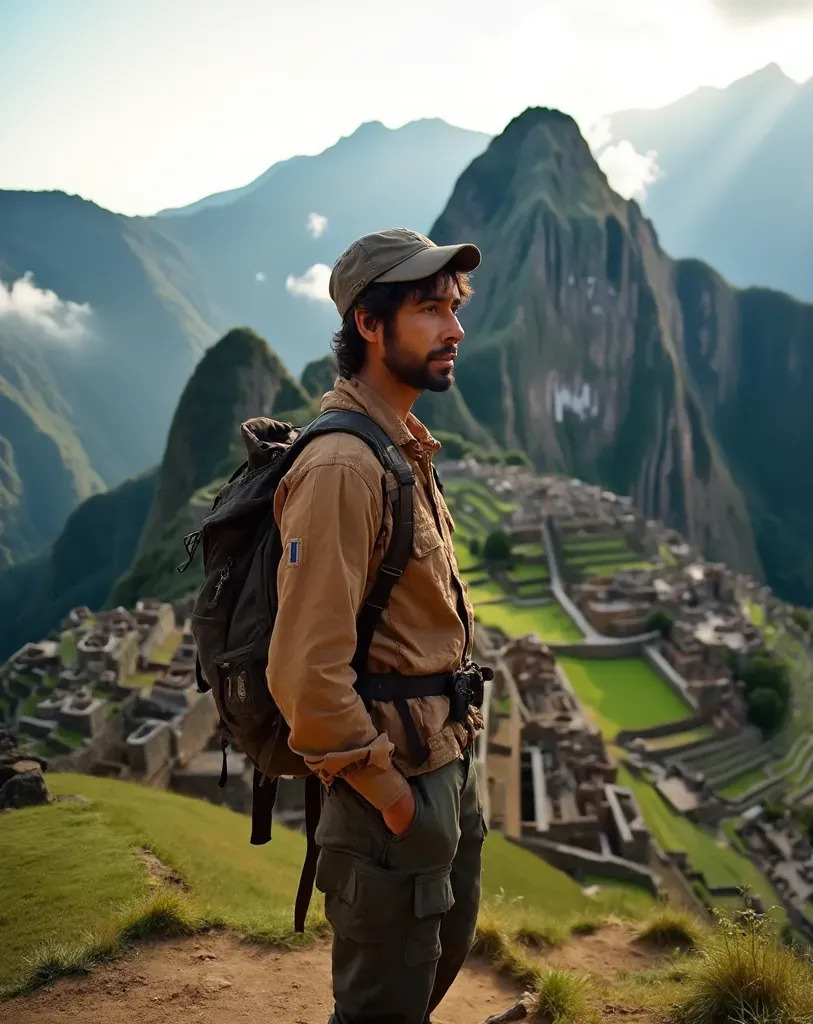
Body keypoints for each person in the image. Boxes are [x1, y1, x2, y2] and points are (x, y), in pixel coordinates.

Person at [266, 227, 488, 1024]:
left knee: (431, 962)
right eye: (431, 308)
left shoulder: (403, 448)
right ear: (369, 323)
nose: (455, 327)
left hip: (444, 757)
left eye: (454, 307)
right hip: (395, 782)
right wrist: (392, 796)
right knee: (380, 1004)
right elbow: (303, 671)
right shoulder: (341, 469)